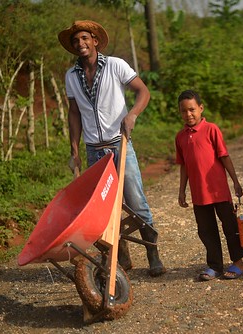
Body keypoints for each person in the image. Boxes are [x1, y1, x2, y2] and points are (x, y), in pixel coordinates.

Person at [58, 20, 165, 277]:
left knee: (136, 202)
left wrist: (133, 115)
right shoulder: (71, 76)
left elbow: (143, 92)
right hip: (94, 150)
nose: (80, 44)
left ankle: (153, 254)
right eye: (76, 41)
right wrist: (74, 148)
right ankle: (122, 259)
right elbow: (74, 113)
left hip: (120, 143)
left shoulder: (116, 65)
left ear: (95, 40)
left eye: (85, 38)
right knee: (106, 208)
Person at [175, 90, 243, 281]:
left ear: (201, 108)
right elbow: (184, 166)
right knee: (206, 230)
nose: (188, 114)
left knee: (230, 226)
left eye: (192, 109)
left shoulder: (211, 129)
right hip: (199, 194)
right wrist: (182, 191)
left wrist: (235, 181)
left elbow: (224, 156)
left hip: (219, 191)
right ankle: (215, 266)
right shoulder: (180, 137)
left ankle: (238, 261)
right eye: (184, 111)